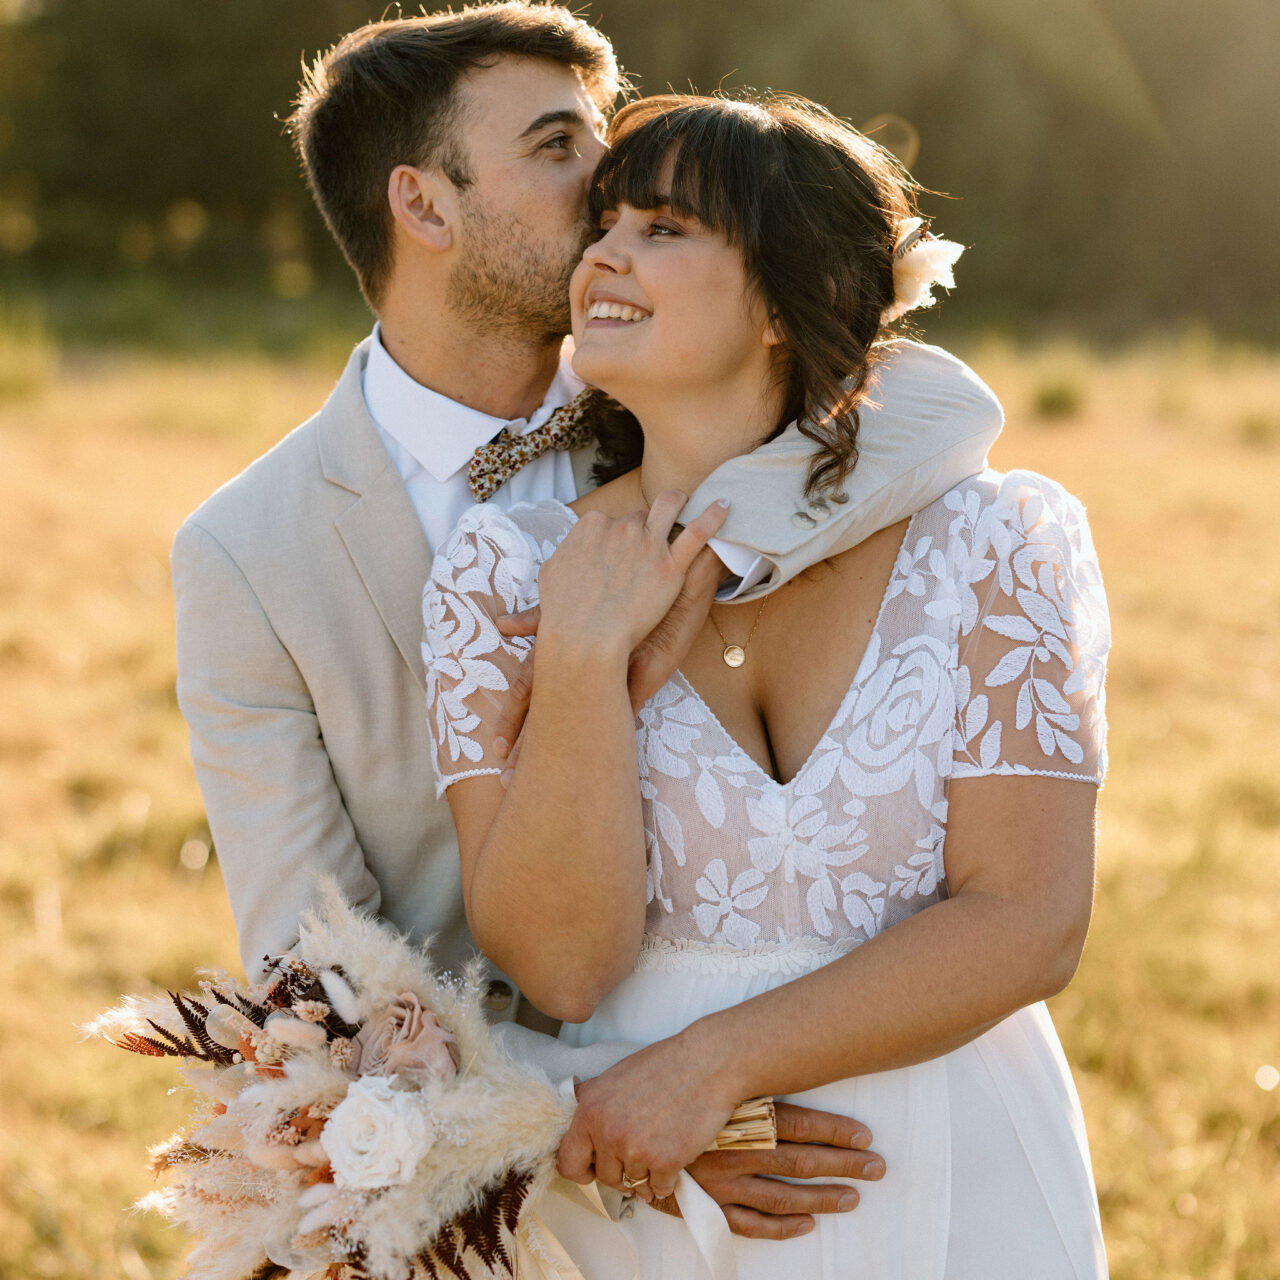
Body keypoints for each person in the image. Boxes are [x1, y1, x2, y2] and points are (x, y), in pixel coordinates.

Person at [171, 2, 1002, 1242]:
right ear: (425, 205)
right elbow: (323, 977)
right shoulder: (247, 552)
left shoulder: (678, 384)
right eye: (560, 146)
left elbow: (940, 406)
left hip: (809, 1097)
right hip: (511, 1160)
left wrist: (711, 524)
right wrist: (615, 1112)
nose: (608, 174)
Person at [422, 92, 1111, 1277]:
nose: (604, 252)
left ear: (791, 303)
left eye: (664, 226)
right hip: (664, 1197)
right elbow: (562, 964)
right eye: (604, 223)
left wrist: (712, 1063)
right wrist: (585, 665)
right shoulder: (507, 571)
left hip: (954, 1159)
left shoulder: (991, 542)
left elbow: (1028, 919)